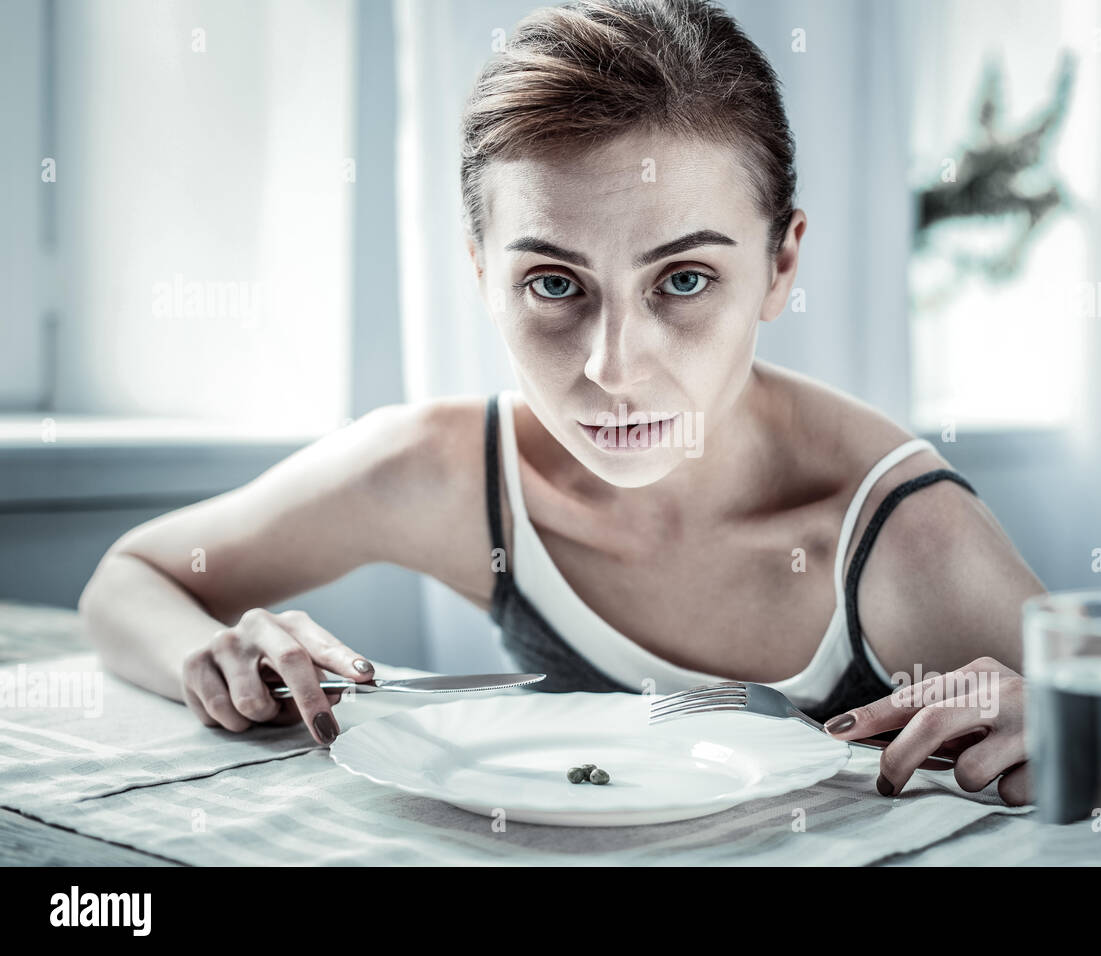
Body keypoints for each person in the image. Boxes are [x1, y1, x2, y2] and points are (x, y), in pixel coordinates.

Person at [79, 0, 1046, 805]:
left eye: (684, 280)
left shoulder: (906, 540)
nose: (613, 370)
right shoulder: (447, 475)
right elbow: (129, 579)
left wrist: (1087, 736)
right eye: (553, 284)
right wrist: (212, 653)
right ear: (481, 275)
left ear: (781, 264)